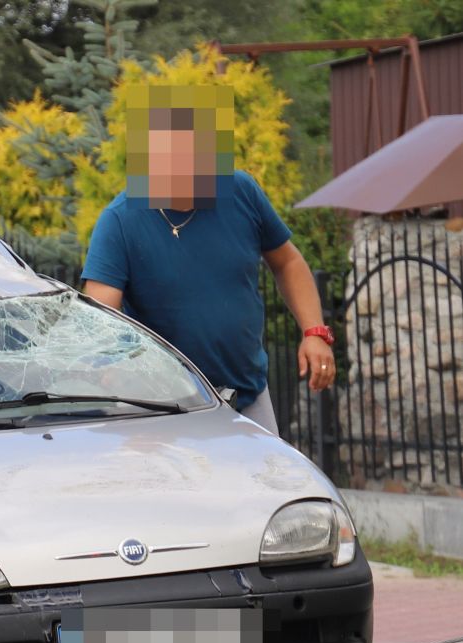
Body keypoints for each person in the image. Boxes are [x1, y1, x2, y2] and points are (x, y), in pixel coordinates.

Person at [81, 85, 335, 434]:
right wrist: (113, 368)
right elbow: (101, 315)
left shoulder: (241, 191)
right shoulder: (121, 219)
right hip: (165, 409)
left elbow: (288, 262)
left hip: (248, 395)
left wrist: (314, 332)